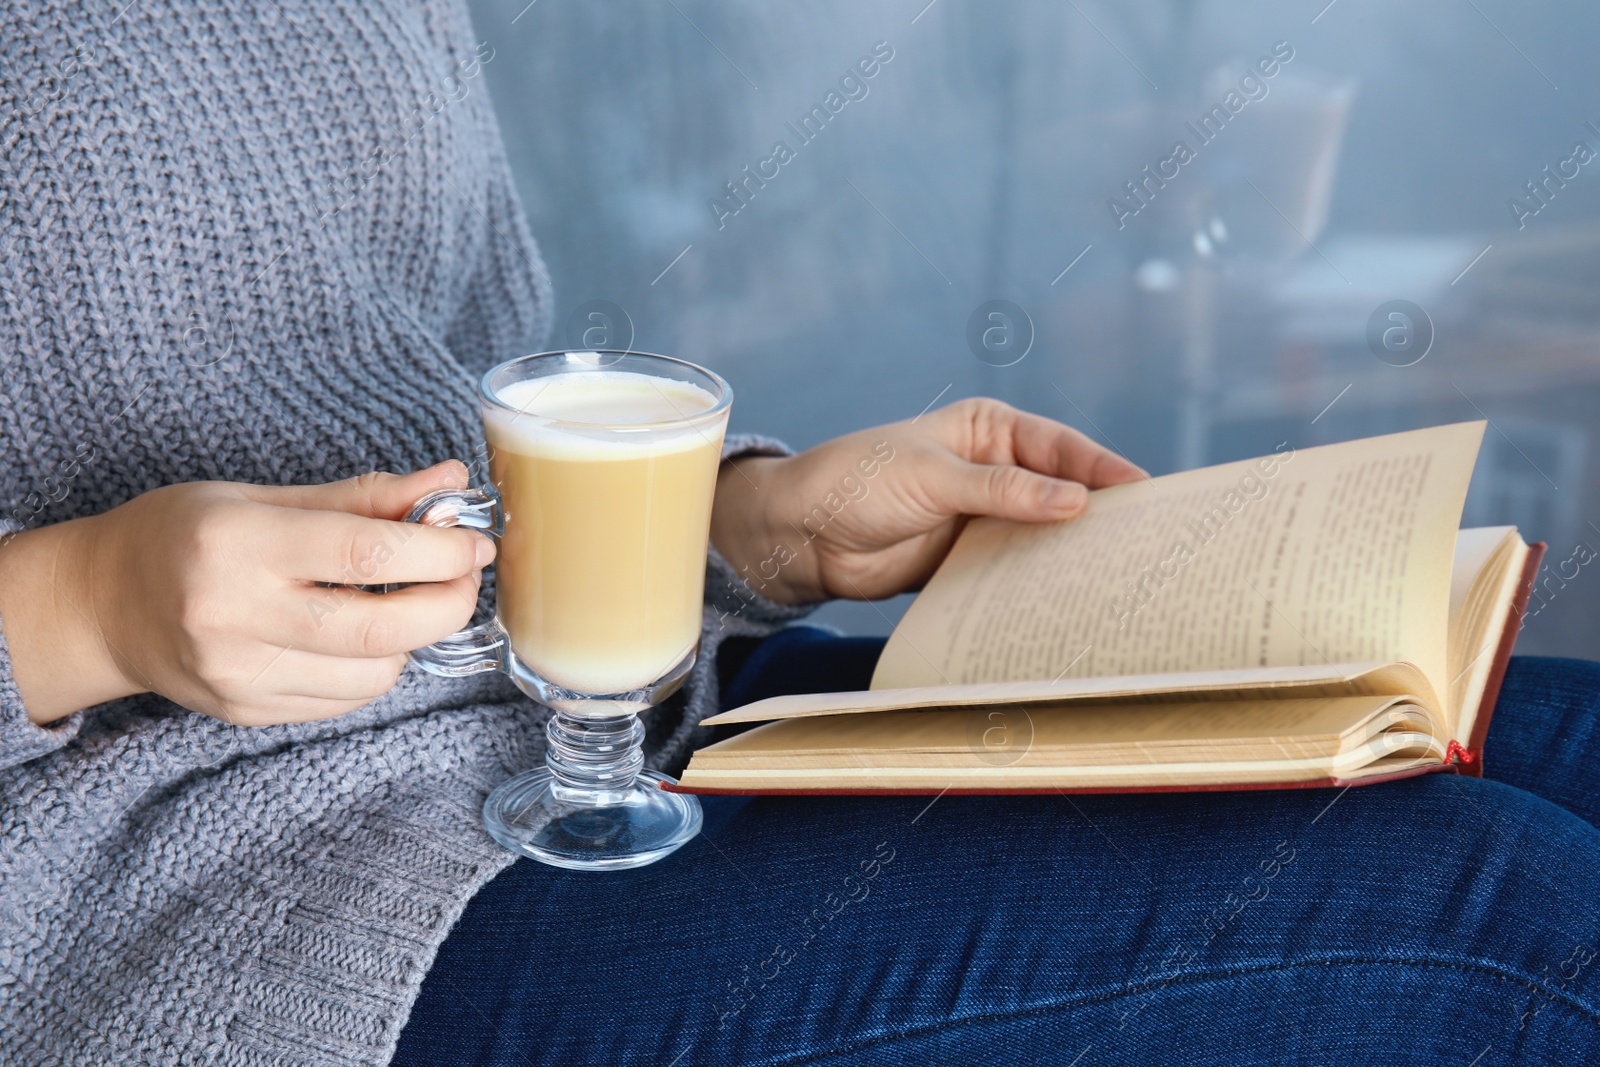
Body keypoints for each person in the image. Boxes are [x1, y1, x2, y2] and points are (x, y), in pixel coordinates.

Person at [1, 5, 1596, 1066]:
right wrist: (84, 605)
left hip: (630, 722)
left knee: (1569, 743)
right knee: (1509, 917)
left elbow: (454, 418)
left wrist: (753, 529)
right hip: (228, 879)